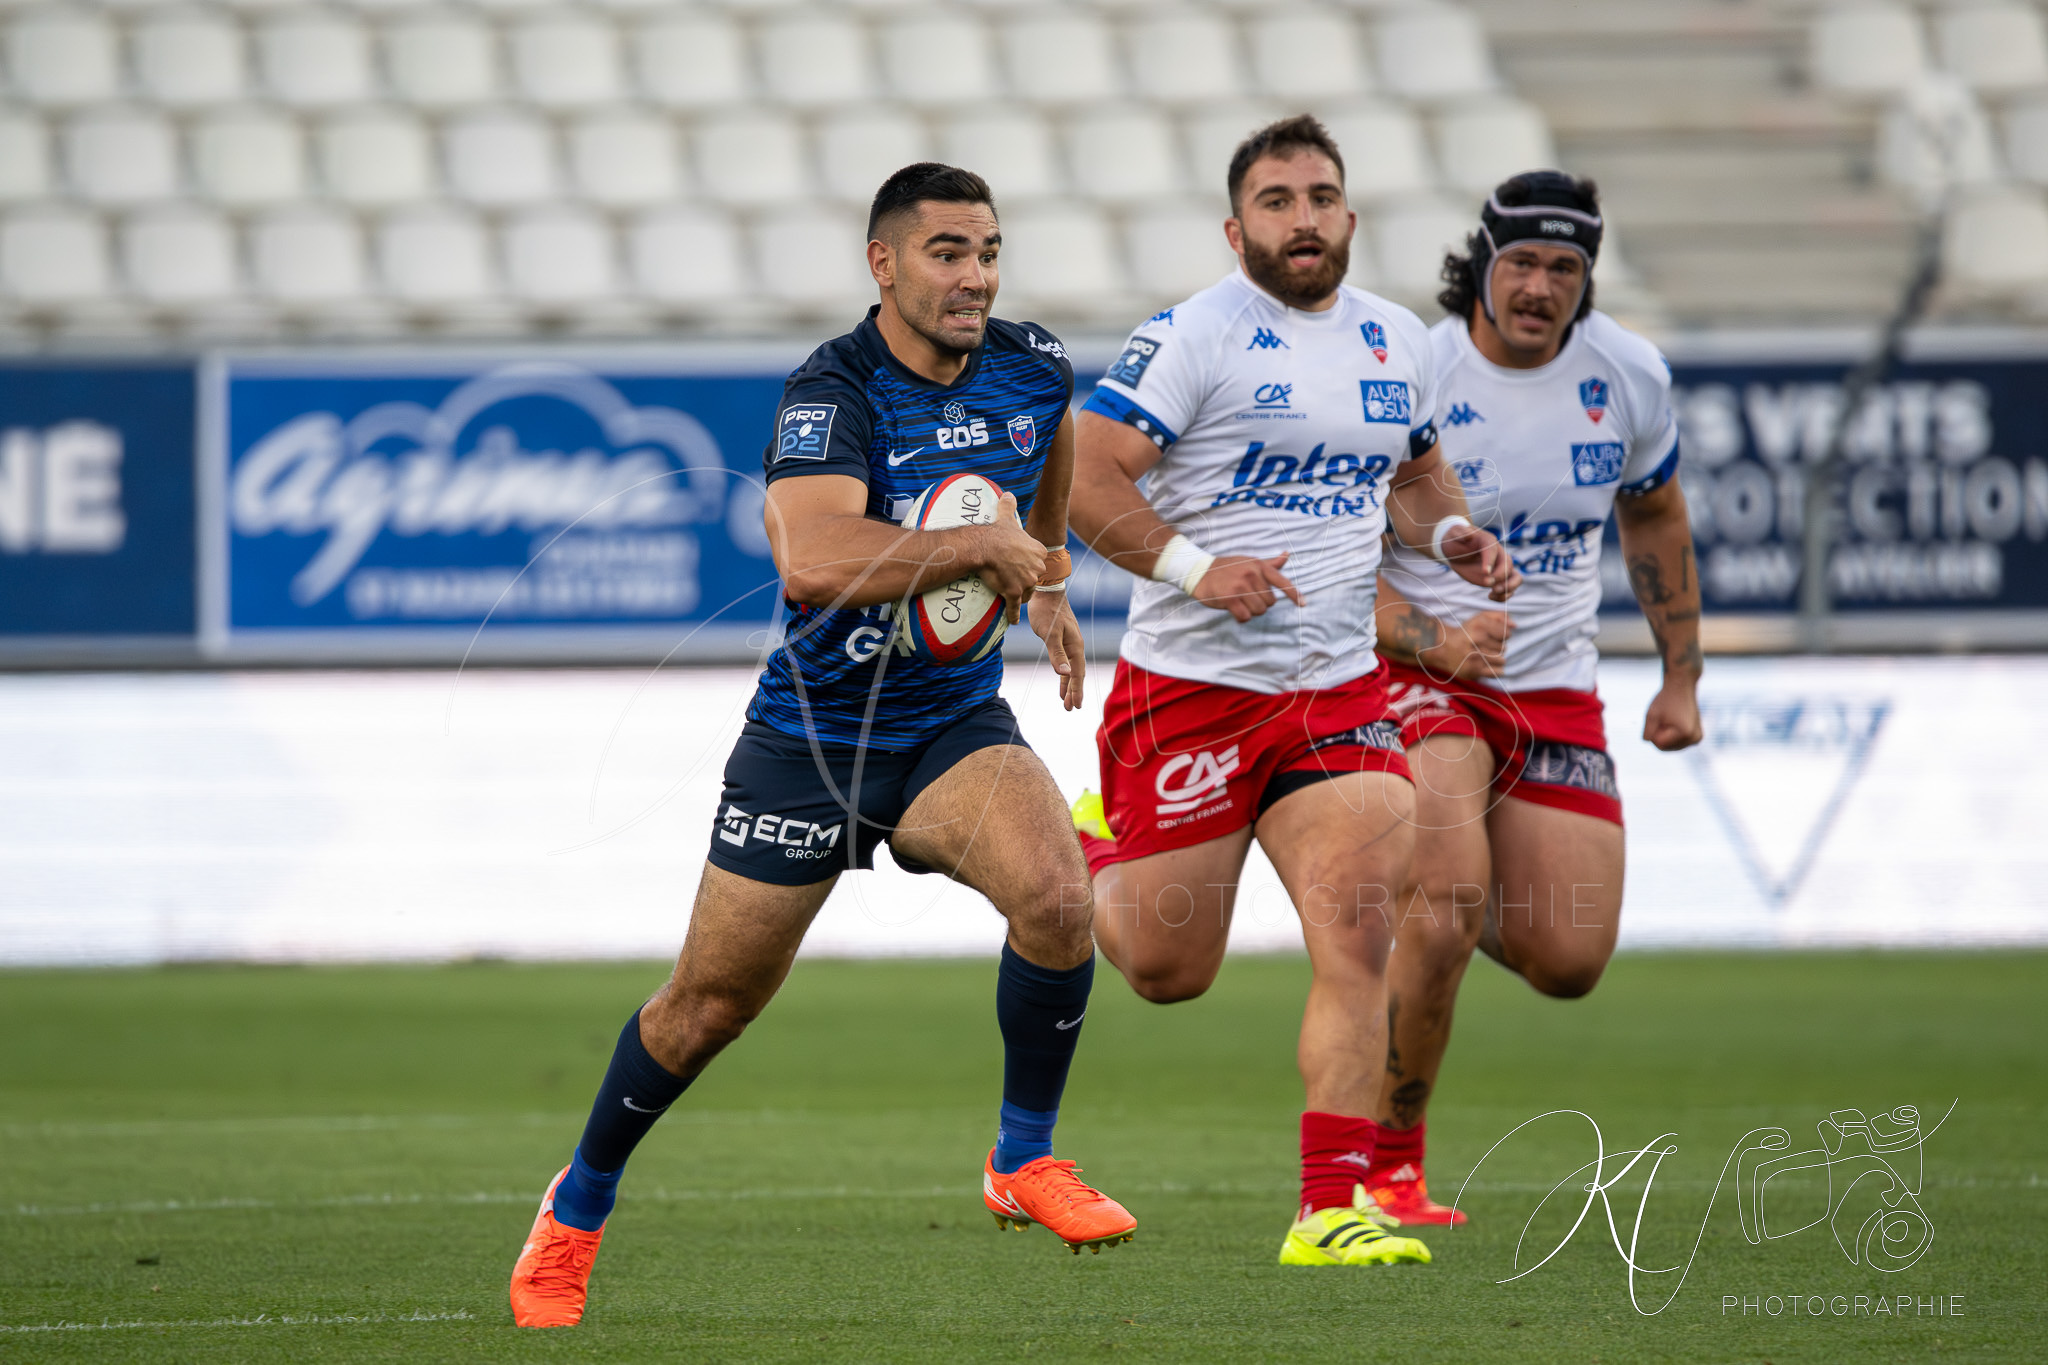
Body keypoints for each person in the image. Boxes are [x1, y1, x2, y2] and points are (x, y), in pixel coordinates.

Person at [509, 163, 1132, 1330]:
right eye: (947, 251)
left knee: (1057, 897)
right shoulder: (830, 393)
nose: (975, 276)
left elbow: (1045, 455)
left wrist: (1044, 575)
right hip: (813, 741)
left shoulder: (1033, 363)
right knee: (706, 1009)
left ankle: (1021, 1158)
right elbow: (813, 560)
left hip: (947, 724)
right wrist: (977, 551)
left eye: (989, 250)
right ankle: (577, 1206)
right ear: (882, 263)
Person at [1066, 116, 1519, 1268]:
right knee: (1169, 972)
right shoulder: (1193, 337)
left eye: (1320, 196)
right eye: (1275, 200)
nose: (1301, 216)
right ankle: (1094, 844)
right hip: (1191, 693)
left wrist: (1453, 531)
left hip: (1335, 691)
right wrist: (1192, 568)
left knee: (1360, 932)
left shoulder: (1394, 340)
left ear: (1350, 218)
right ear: (1236, 229)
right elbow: (1084, 471)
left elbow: (1412, 472)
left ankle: (1328, 1209)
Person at [1361, 171, 1704, 1225]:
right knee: (1452, 895)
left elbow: (1651, 519)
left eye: (1563, 268)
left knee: (1567, 961)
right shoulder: (1410, 370)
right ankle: (1387, 1164)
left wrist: (1679, 673)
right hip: (1420, 675)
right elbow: (1332, 554)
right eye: (1520, 262)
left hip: (1553, 691)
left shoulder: (1629, 375)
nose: (1539, 286)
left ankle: (1417, 905)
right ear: (1482, 259)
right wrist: (1435, 641)